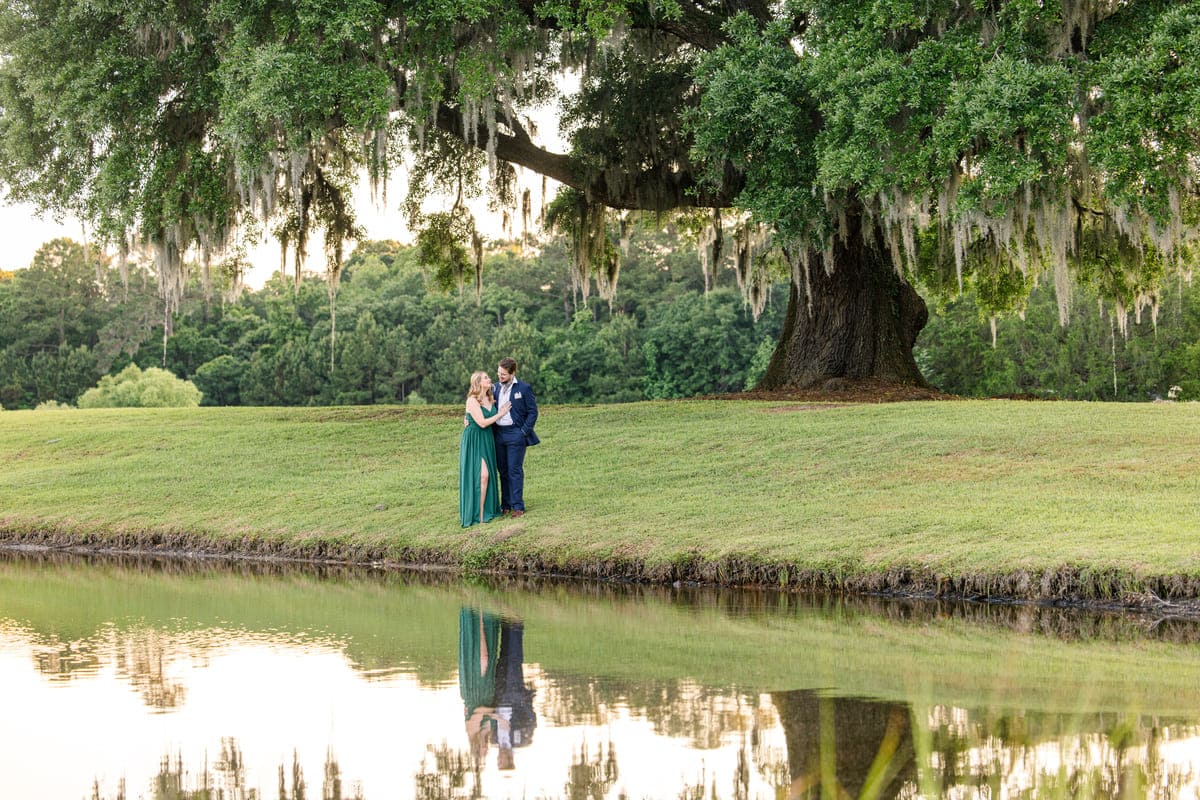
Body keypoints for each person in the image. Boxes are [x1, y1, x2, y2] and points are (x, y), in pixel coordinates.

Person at [459, 371, 511, 528]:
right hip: (474, 438)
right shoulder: (472, 400)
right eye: (486, 378)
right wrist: (501, 413)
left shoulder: (491, 396)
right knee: (482, 476)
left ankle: (486, 511)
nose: (490, 379)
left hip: (487, 438)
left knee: (487, 476)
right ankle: (478, 515)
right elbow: (481, 422)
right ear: (478, 382)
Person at [491, 357, 539, 517]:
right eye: (498, 373)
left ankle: (518, 506)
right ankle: (505, 505)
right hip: (499, 434)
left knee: (514, 470)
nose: (500, 377)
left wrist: (523, 432)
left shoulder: (524, 389)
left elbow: (533, 412)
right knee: (503, 471)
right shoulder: (494, 388)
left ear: (512, 373)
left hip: (515, 434)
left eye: (503, 374)